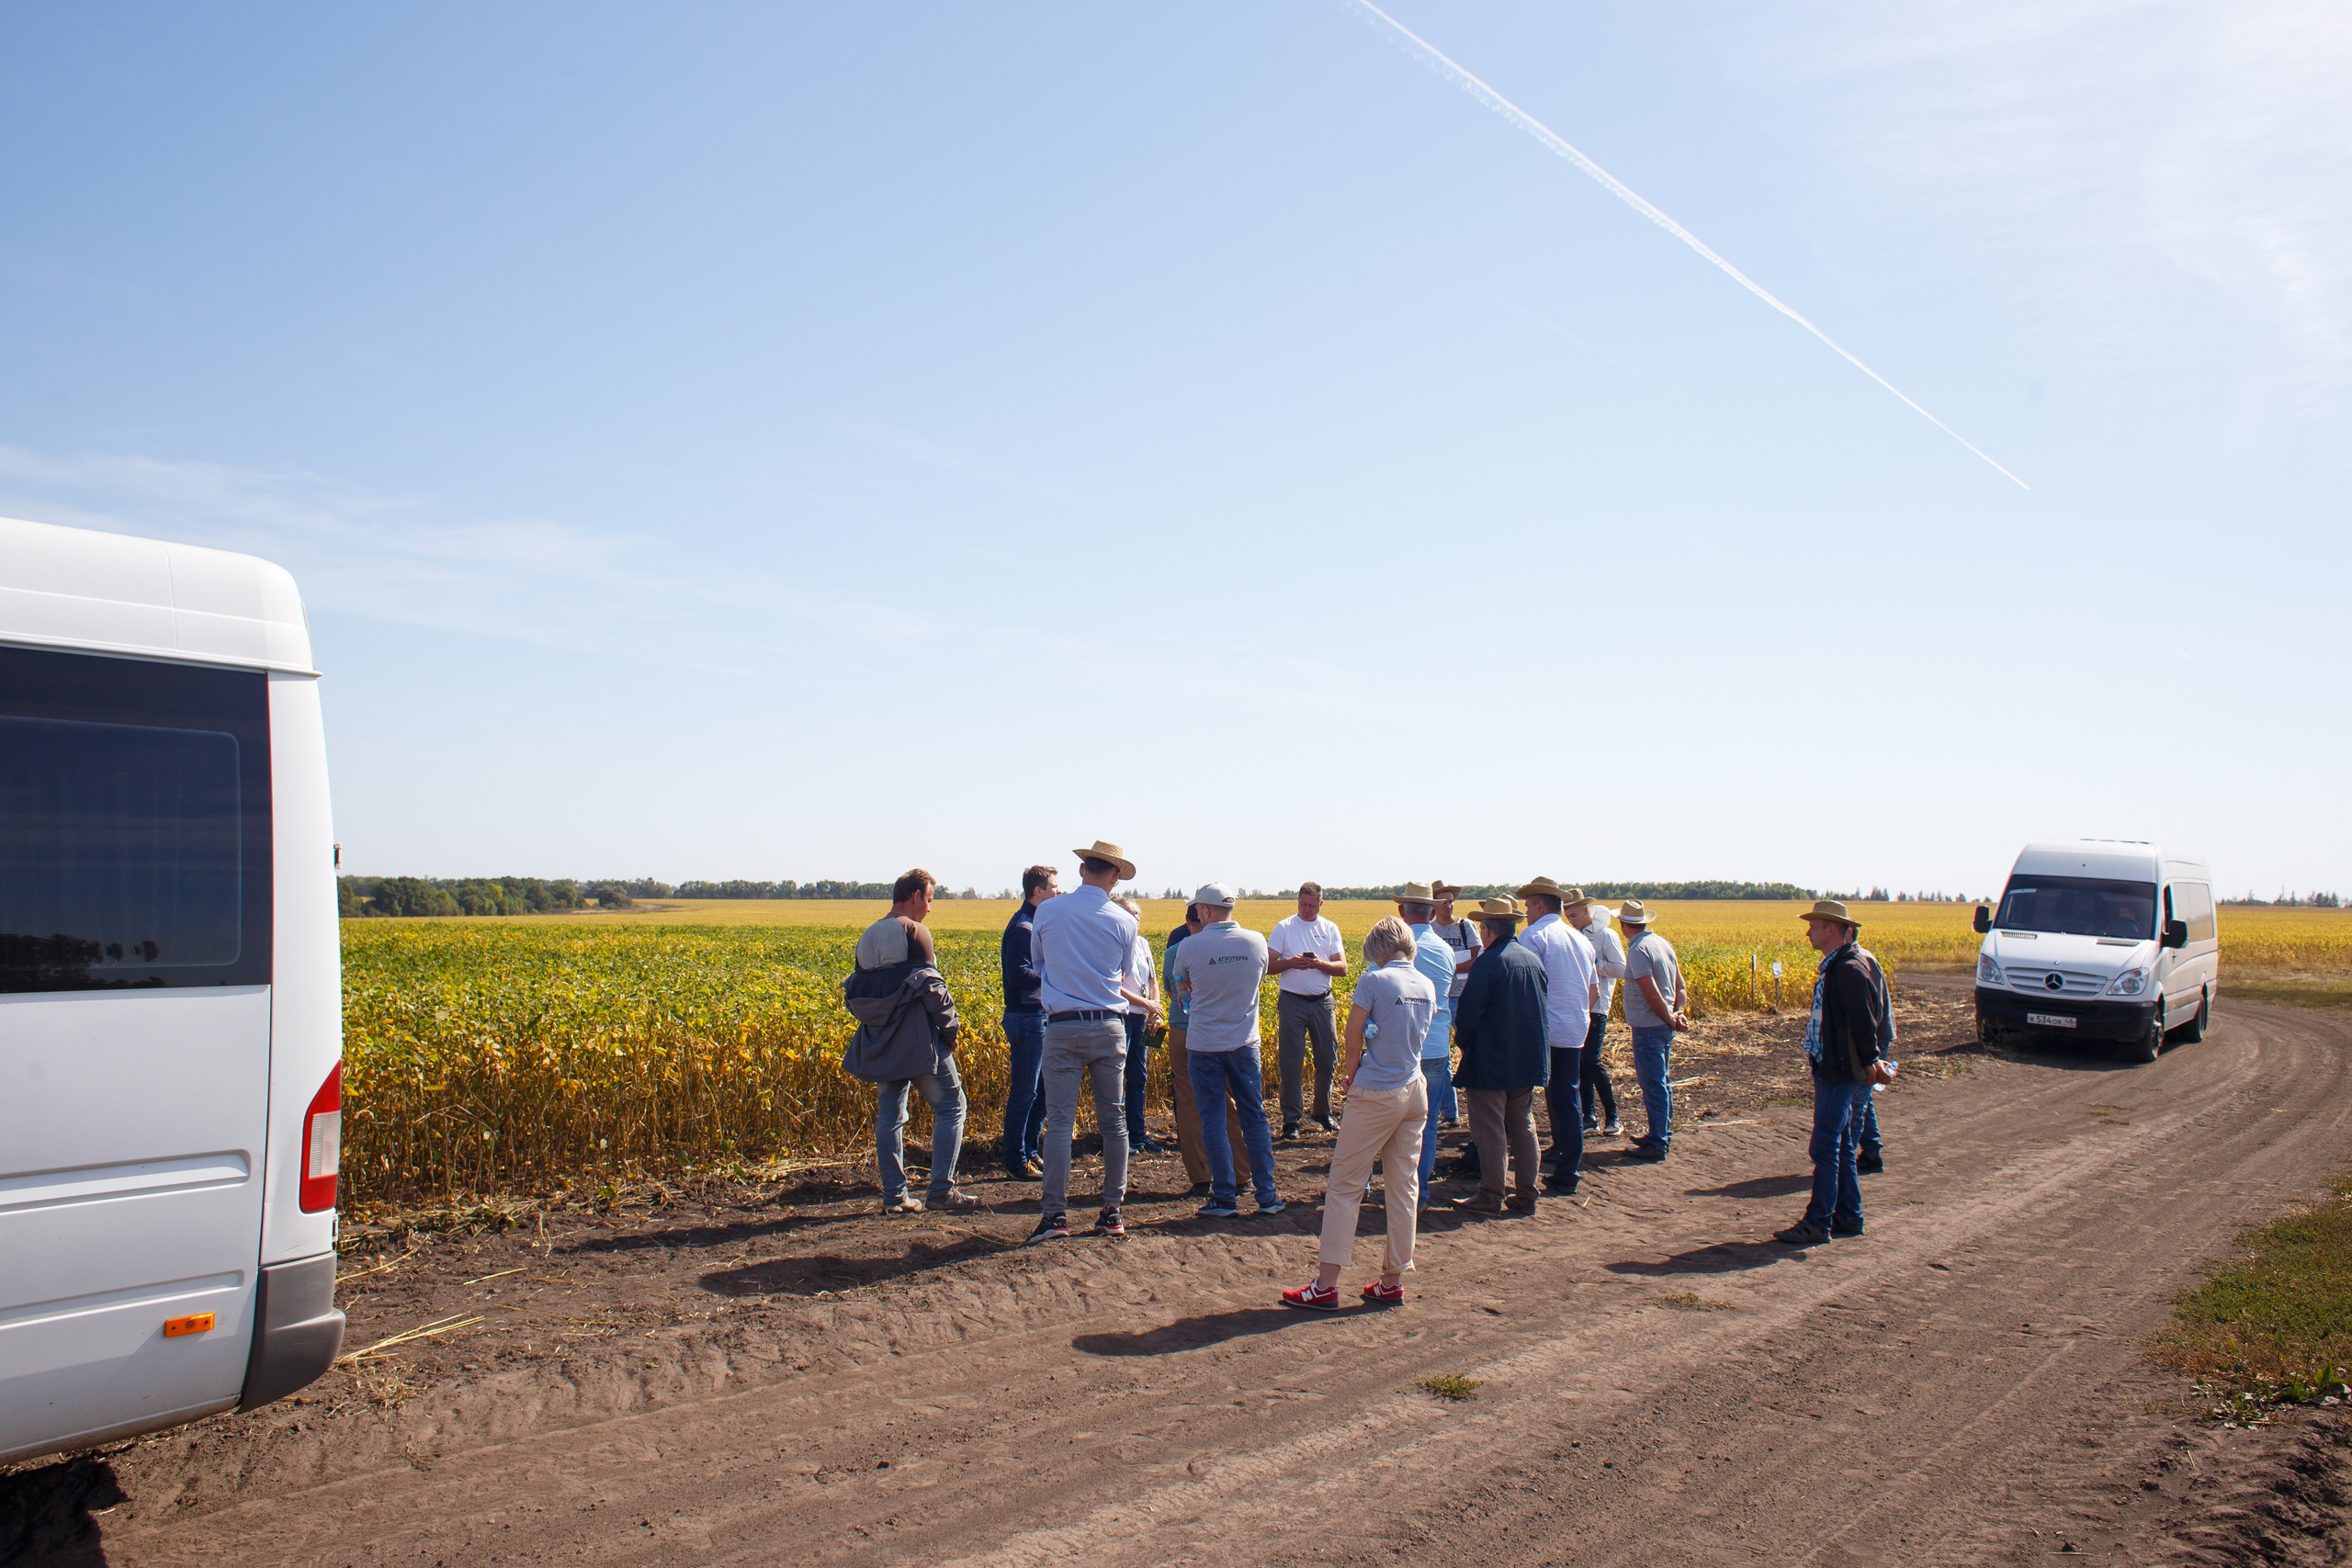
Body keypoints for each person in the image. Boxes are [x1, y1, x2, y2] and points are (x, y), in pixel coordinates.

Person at [1282, 918, 1436, 1311]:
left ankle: (1327, 1284)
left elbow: (1353, 1033)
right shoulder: (1426, 984)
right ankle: (1392, 1279)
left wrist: (1350, 1075)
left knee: (1345, 1186)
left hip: (1377, 1090)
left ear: (1377, 948)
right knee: (1403, 1187)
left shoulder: (1375, 981)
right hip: (1415, 1088)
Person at [1026, 840, 1157, 1244]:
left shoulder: (1047, 911)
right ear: (1115, 877)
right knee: (1114, 1122)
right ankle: (1112, 1212)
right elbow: (1121, 974)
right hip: (1110, 1026)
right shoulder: (1125, 921)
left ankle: (1055, 1217)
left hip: (1063, 1026)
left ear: (1083, 869)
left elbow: (1039, 964)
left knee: (1061, 1122)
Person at [842, 869, 980, 1214]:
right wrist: (950, 1032)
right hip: (919, 1040)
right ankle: (941, 1191)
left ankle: (894, 1197)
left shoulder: (868, 935)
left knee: (890, 1116)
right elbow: (935, 991)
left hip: (880, 1039)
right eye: (930, 899)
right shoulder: (915, 932)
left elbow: (864, 993)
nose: (930, 908)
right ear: (916, 896)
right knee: (952, 1105)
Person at [1775, 900, 1890, 1247]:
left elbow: (1864, 1020)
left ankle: (1818, 1221)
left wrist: (1870, 1061)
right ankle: (1849, 1216)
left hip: (1839, 1071)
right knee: (1839, 1146)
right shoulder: (1842, 964)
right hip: (1840, 1068)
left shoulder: (1847, 969)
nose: (1808, 931)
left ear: (1831, 929)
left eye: (1814, 925)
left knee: (1825, 1146)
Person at [1170, 882, 1283, 1219]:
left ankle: (1224, 1197)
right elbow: (1259, 978)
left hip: (1204, 1044)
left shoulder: (1190, 946)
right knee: (1255, 1117)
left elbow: (1181, 988)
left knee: (1213, 1121)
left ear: (1204, 911)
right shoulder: (1256, 942)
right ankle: (1267, 1195)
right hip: (1245, 1042)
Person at [1448, 897, 1550, 1215]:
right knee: (1524, 1124)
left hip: (1491, 1061)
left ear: (1487, 929)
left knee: (1490, 1128)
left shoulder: (1489, 963)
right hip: (1528, 1058)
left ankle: (1491, 1195)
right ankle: (1527, 1193)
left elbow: (1467, 1015)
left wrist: (1465, 1044)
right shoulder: (1532, 960)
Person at [1164, 903, 1260, 1196]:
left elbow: (1173, 990)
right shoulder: (1243, 943)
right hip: (1227, 1033)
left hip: (1184, 1029)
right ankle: (1241, 1172)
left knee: (1189, 1103)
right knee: (1229, 1102)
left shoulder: (1176, 951)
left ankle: (1201, 1175)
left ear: (1188, 921)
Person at [1516, 877, 1599, 1195]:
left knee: (1522, 1097)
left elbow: (1526, 986)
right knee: (1567, 1095)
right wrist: (1578, 1015)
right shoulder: (1580, 941)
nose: (1525, 912)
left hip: (1544, 1027)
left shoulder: (1534, 936)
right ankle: (1568, 1164)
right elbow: (1592, 991)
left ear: (1539, 905)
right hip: (1576, 1027)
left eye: (1527, 906)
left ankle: (1538, 1172)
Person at [1268, 883, 1346, 1140]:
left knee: (1326, 1058)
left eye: (1312, 905)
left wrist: (1318, 964)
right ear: (1297, 902)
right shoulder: (1284, 927)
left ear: (1321, 904)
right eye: (1303, 904)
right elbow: (1267, 964)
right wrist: (1291, 963)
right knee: (1291, 1062)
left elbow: (1342, 967)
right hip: (1292, 1001)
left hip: (1323, 1001)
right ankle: (1291, 1119)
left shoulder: (1329, 928)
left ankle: (1322, 1112)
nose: (1307, 910)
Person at [1396, 885, 1457, 1208]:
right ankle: (1420, 1194)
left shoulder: (1393, 950)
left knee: (1387, 1123)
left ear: (1402, 913)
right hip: (1435, 1045)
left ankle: (1371, 1188)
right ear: (1432, 913)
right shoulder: (1445, 950)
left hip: (1400, 1048)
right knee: (1428, 1123)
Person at [998, 864, 1057, 1180]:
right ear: (1038, 892)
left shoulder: (1035, 923)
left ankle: (1030, 1151)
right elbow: (1018, 975)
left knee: (1042, 1090)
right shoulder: (1024, 928)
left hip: (1038, 1015)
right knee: (1025, 1091)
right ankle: (1016, 1160)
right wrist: (1054, 973)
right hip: (1026, 1016)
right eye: (1053, 887)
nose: (1058, 891)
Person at [1619, 900, 1689, 1163]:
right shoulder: (1662, 944)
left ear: (1623, 925)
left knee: (1653, 1084)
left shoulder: (1638, 950)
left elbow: (1651, 994)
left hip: (1649, 1026)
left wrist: (1670, 1018)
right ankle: (1660, 1133)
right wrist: (1678, 1013)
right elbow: (1679, 986)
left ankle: (1658, 1142)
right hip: (1662, 1023)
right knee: (1663, 1082)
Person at [1565, 893, 1625, 1136]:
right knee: (1580, 1062)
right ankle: (1588, 1116)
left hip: (1598, 1006)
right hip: (1578, 1005)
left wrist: (1593, 964)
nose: (1571, 920)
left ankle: (1613, 1116)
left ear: (1586, 910)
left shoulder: (1606, 935)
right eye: (1568, 917)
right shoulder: (1575, 936)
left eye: (1575, 915)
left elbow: (1621, 968)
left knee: (1591, 1059)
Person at [1426, 881, 1482, 1127]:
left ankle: (1478, 1109)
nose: (1448, 905)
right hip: (1439, 1000)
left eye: (1451, 901)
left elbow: (1477, 957)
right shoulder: (1430, 930)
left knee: (1468, 1052)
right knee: (1441, 1056)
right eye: (1444, 901)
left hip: (1463, 998)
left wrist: (1449, 969)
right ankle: (1451, 1114)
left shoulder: (1465, 926)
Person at [1115, 897, 1165, 1156]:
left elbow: (1152, 981)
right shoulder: (1113, 943)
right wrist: (1146, 1004)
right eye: (1130, 913)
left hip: (1143, 1019)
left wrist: (1154, 1011)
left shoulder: (1143, 944)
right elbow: (1115, 985)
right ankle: (1119, 1136)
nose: (1135, 917)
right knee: (1118, 1076)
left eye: (1137, 913)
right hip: (1123, 1016)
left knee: (1139, 1076)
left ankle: (1137, 1136)